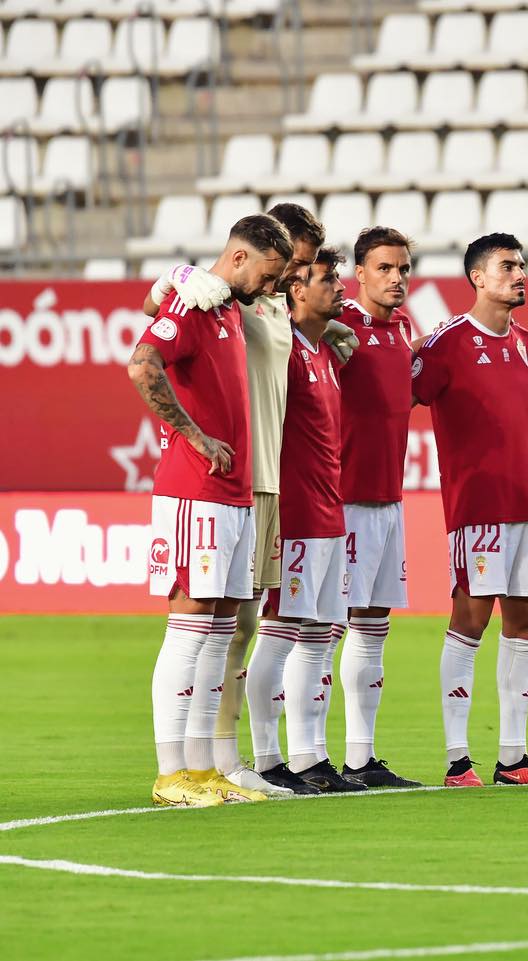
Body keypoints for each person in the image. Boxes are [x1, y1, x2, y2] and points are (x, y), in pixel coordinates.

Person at [141, 203, 354, 797]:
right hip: (214, 483)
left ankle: (212, 762)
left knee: (232, 622)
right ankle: (187, 765)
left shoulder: (263, 309)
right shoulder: (220, 297)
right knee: (205, 625)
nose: (291, 281)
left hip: (259, 482)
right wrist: (176, 276)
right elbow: (154, 328)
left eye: (299, 269)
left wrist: (321, 328)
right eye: (289, 269)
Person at [414, 234, 528, 787]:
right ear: (478, 278)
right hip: (477, 508)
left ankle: (514, 758)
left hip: (527, 505)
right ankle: (456, 761)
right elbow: (399, 396)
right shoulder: (444, 344)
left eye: (522, 265)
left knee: (527, 621)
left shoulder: (520, 344)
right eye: (507, 266)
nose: (520, 275)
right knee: (470, 619)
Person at [127, 213, 292, 806]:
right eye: (269, 274)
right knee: (189, 629)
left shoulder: (225, 307)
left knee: (219, 631)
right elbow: (142, 364)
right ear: (241, 258)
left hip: (234, 493)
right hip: (195, 493)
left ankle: (201, 769)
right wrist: (194, 436)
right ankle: (170, 771)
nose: (271, 287)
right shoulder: (195, 305)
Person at [252, 246, 365, 793]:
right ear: (296, 289)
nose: (339, 287)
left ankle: (310, 757)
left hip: (328, 511)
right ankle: (270, 758)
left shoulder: (324, 353)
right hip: (294, 514)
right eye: (327, 278)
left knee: (322, 635)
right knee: (280, 634)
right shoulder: (285, 351)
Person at [331, 226, 422, 788]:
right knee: (320, 629)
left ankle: (361, 759)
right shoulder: (337, 326)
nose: (396, 279)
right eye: (385, 268)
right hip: (340, 498)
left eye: (404, 269)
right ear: (358, 273)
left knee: (373, 625)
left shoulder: (405, 330)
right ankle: (299, 757)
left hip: (387, 497)